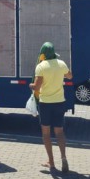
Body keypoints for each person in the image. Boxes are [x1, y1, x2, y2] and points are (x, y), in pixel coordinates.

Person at [30, 42, 73, 172]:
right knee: (59, 132)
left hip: (45, 103)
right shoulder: (61, 63)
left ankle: (51, 162)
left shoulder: (41, 66)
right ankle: (64, 157)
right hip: (60, 102)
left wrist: (30, 85)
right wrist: (61, 75)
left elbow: (37, 87)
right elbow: (70, 76)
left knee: (46, 133)